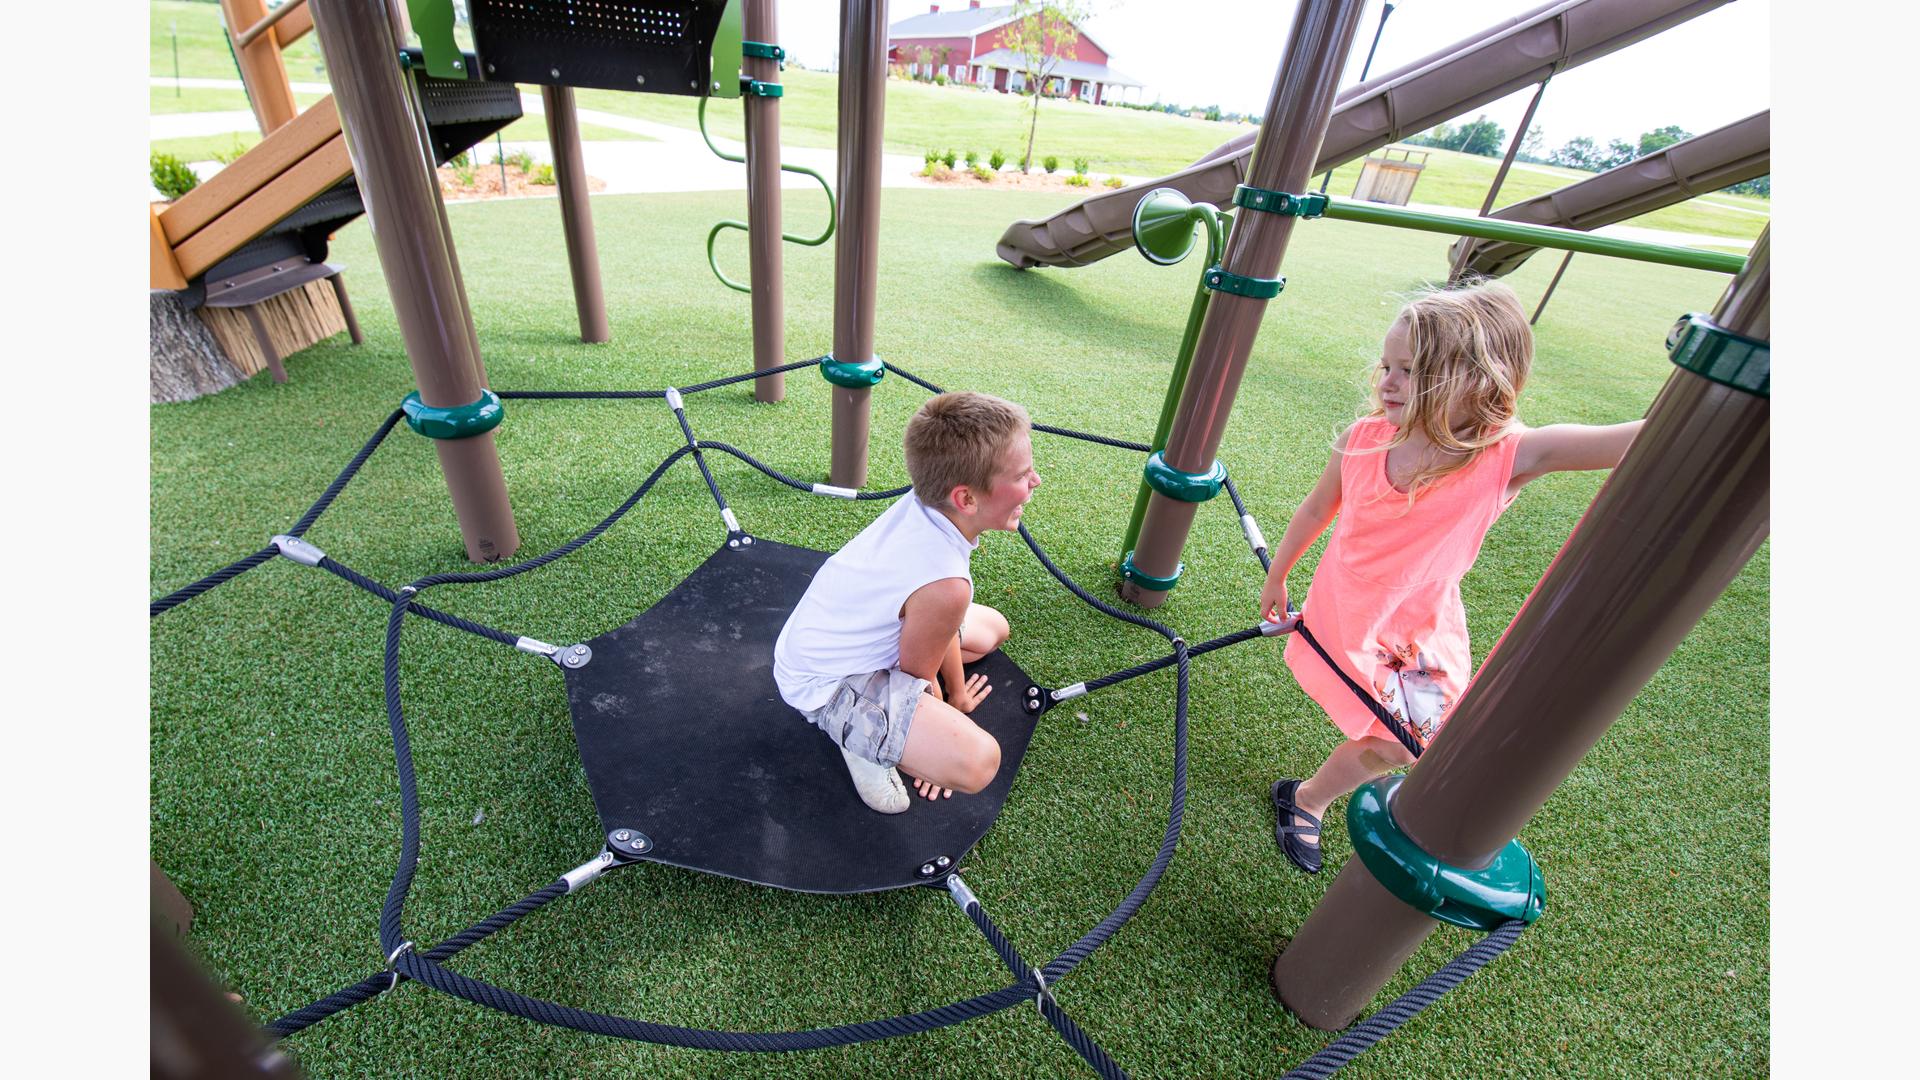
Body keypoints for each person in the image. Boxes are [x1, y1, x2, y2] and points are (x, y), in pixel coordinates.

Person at [1257, 281, 1643, 873]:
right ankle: (1308, 796)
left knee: (1401, 742)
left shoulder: (1504, 458)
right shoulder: (1362, 441)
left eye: (1409, 371)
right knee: (1385, 726)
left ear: (1472, 382)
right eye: (1386, 365)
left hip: (1416, 630)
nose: (1386, 381)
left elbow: (1622, 442)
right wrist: (1278, 574)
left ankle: (1307, 798)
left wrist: (1728, 392)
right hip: (1347, 607)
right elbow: (1317, 508)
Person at [774, 391, 1042, 813]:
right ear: (966, 499)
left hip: (854, 633)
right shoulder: (946, 584)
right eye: (1023, 475)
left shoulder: (928, 505)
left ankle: (884, 733)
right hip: (822, 683)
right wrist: (935, 743)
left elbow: (944, 627)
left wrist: (959, 695)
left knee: (992, 630)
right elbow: (915, 677)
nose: (1035, 482)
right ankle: (863, 744)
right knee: (978, 763)